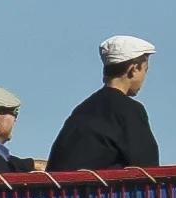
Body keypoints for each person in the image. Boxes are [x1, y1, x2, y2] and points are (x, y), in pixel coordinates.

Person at [46, 35, 160, 171]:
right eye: (145, 70)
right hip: (100, 191)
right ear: (133, 69)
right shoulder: (130, 110)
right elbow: (148, 169)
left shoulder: (82, 109)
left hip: (62, 191)